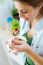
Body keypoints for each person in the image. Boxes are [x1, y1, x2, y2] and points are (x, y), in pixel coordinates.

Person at [10, 0, 43, 65]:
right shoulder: (24, 19)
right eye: (18, 10)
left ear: (40, 5)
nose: (20, 16)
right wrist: (17, 41)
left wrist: (28, 51)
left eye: (24, 11)